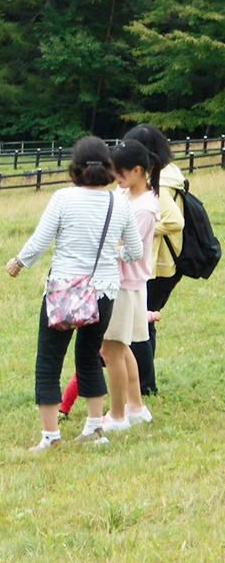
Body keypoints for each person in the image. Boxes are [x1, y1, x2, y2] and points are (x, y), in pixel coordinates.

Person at [5, 136, 142, 451]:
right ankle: (94, 429)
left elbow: (40, 241)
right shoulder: (119, 202)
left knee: (49, 360)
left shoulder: (63, 198)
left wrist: (18, 262)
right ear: (108, 167)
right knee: (90, 358)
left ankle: (51, 436)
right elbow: (135, 251)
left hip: (63, 292)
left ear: (75, 167)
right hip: (103, 292)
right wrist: (113, 254)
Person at [122, 123, 185, 395]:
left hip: (157, 264)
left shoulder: (159, 181)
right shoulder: (168, 173)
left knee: (141, 326)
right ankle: (140, 382)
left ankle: (145, 385)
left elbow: (175, 221)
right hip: (161, 263)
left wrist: (143, 230)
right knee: (142, 324)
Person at [102, 141, 160, 430]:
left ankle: (117, 416)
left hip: (125, 283)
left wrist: (101, 246)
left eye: (121, 172)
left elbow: (127, 247)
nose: (117, 178)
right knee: (120, 347)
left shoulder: (145, 207)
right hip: (124, 281)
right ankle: (135, 407)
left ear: (138, 170)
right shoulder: (124, 192)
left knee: (111, 349)